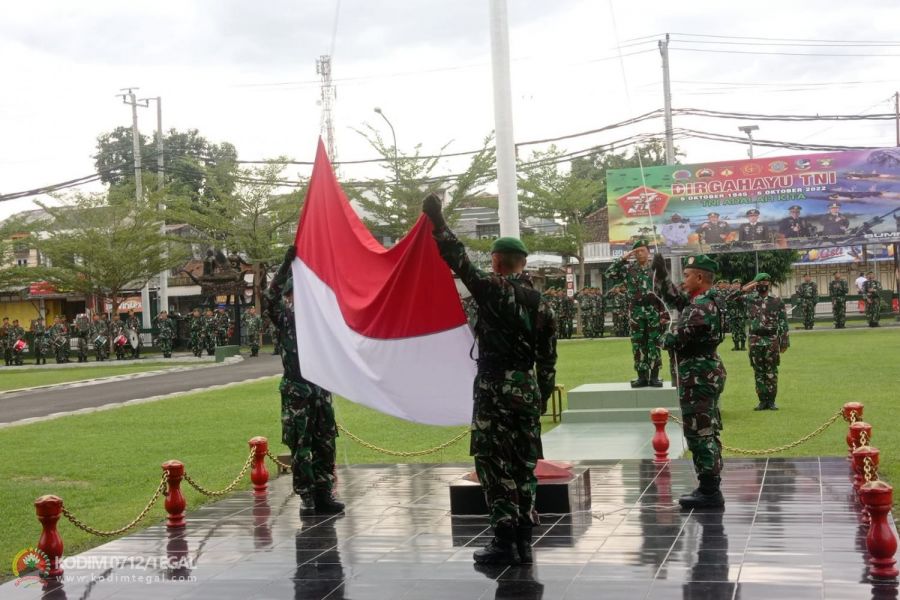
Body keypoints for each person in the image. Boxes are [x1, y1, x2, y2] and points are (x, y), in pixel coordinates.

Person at [422, 193, 557, 566]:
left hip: (495, 388)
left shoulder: (492, 290)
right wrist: (540, 395)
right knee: (524, 463)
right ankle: (525, 538)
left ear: (497, 261)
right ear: (524, 263)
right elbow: (548, 360)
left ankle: (503, 539)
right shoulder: (541, 303)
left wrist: (437, 220)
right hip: (526, 389)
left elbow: (458, 259)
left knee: (494, 464)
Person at [265, 246, 343, 516]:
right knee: (302, 446)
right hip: (297, 391)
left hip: (320, 390)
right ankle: (307, 495)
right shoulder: (285, 318)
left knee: (325, 442)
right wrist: (286, 262)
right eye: (295, 294)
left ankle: (324, 492)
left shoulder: (319, 321)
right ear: (289, 296)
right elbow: (268, 297)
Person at [652, 253, 726, 509]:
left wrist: (662, 335)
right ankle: (708, 485)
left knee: (700, 431)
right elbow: (672, 296)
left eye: (686, 276)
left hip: (699, 373)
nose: (683, 280)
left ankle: (709, 491)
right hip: (702, 371)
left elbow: (677, 339)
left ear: (700, 277)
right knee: (705, 428)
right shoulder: (700, 301)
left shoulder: (700, 306)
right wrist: (661, 273)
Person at [606, 239, 670, 388]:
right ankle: (642, 377)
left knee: (654, 343)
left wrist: (664, 314)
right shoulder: (629, 269)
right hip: (635, 312)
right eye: (637, 251)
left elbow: (664, 290)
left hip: (653, 310)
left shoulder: (656, 269)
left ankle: (654, 377)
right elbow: (609, 274)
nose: (640, 253)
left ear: (648, 252)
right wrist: (623, 259)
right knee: (638, 344)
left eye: (642, 250)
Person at [742, 273, 790, 411]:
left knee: (771, 371)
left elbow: (783, 321)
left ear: (769, 284)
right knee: (758, 371)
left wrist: (784, 341)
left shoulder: (776, 300)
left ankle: (772, 401)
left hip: (771, 340)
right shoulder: (749, 299)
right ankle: (762, 401)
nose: (762, 285)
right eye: (759, 282)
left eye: (764, 282)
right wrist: (748, 287)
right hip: (755, 339)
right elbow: (730, 298)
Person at [726, 279, 747, 351]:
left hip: (741, 315)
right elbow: (727, 301)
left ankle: (743, 346)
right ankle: (736, 346)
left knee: (742, 331)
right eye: (735, 284)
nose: (737, 285)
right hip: (733, 315)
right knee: (734, 331)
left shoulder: (743, 293)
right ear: (732, 285)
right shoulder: (729, 293)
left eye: (738, 284)